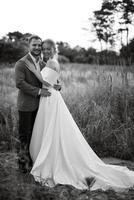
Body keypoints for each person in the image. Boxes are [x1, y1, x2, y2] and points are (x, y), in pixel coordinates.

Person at [28, 39, 134, 192]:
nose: (45, 51)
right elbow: (54, 82)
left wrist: (39, 76)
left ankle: (51, 161)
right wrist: (55, 84)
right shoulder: (48, 63)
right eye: (43, 48)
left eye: (48, 49)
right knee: (49, 128)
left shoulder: (51, 63)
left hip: (50, 99)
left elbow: (46, 81)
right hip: (48, 98)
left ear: (53, 49)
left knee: (52, 129)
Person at [15, 35, 55, 173]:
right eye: (34, 45)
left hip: (41, 106)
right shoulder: (21, 63)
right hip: (26, 105)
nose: (37, 48)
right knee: (24, 135)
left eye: (39, 45)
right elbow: (19, 83)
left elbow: (48, 81)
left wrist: (57, 86)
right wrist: (39, 91)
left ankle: (34, 162)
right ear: (29, 46)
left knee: (36, 135)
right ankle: (22, 166)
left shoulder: (43, 64)